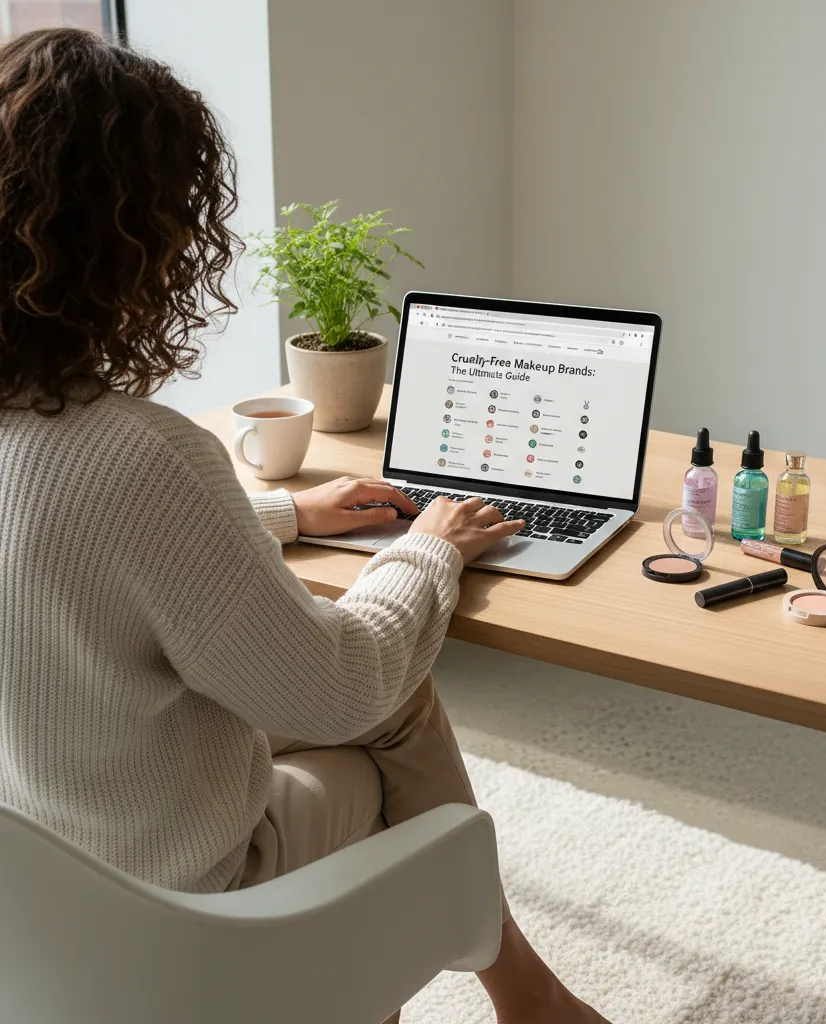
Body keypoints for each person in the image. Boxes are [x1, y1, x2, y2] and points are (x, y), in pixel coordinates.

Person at [0, 28, 610, 1024]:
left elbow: (57, 542)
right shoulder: (140, 456)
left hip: (39, 898)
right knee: (389, 708)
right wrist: (428, 551)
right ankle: (517, 993)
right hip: (186, 908)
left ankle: (527, 993)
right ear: (135, 237)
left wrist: (283, 512)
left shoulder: (64, 446)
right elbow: (340, 687)